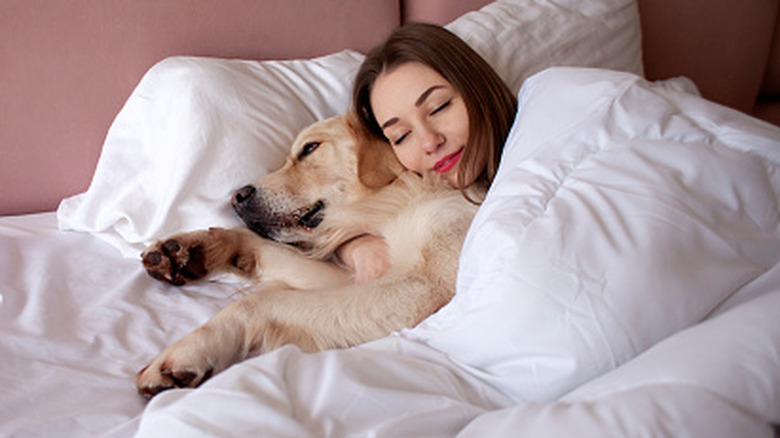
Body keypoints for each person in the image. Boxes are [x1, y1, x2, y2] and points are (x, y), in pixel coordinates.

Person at [337, 22, 518, 283]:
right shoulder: (424, 203)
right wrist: (355, 248)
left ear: (477, 87)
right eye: (401, 136)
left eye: (439, 107)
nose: (429, 142)